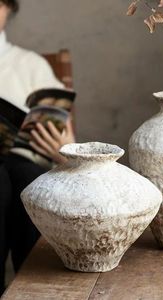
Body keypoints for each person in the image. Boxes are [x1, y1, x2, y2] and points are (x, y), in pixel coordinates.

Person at [0, 0, 75, 295]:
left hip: (25, 163)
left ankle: (32, 291)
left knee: (29, 181)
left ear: (8, 8)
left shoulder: (31, 65)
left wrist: (64, 150)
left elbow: (66, 138)